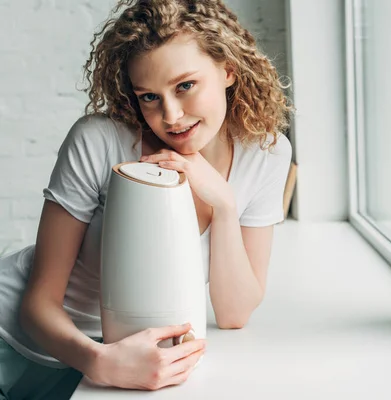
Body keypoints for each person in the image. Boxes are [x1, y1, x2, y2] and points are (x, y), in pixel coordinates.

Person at [0, 0, 293, 398]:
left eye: (185, 86)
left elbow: (234, 314)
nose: (171, 116)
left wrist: (223, 205)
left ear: (228, 70)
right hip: (18, 341)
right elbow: (37, 305)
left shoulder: (267, 155)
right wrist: (100, 361)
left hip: (113, 364)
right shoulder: (100, 141)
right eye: (149, 97)